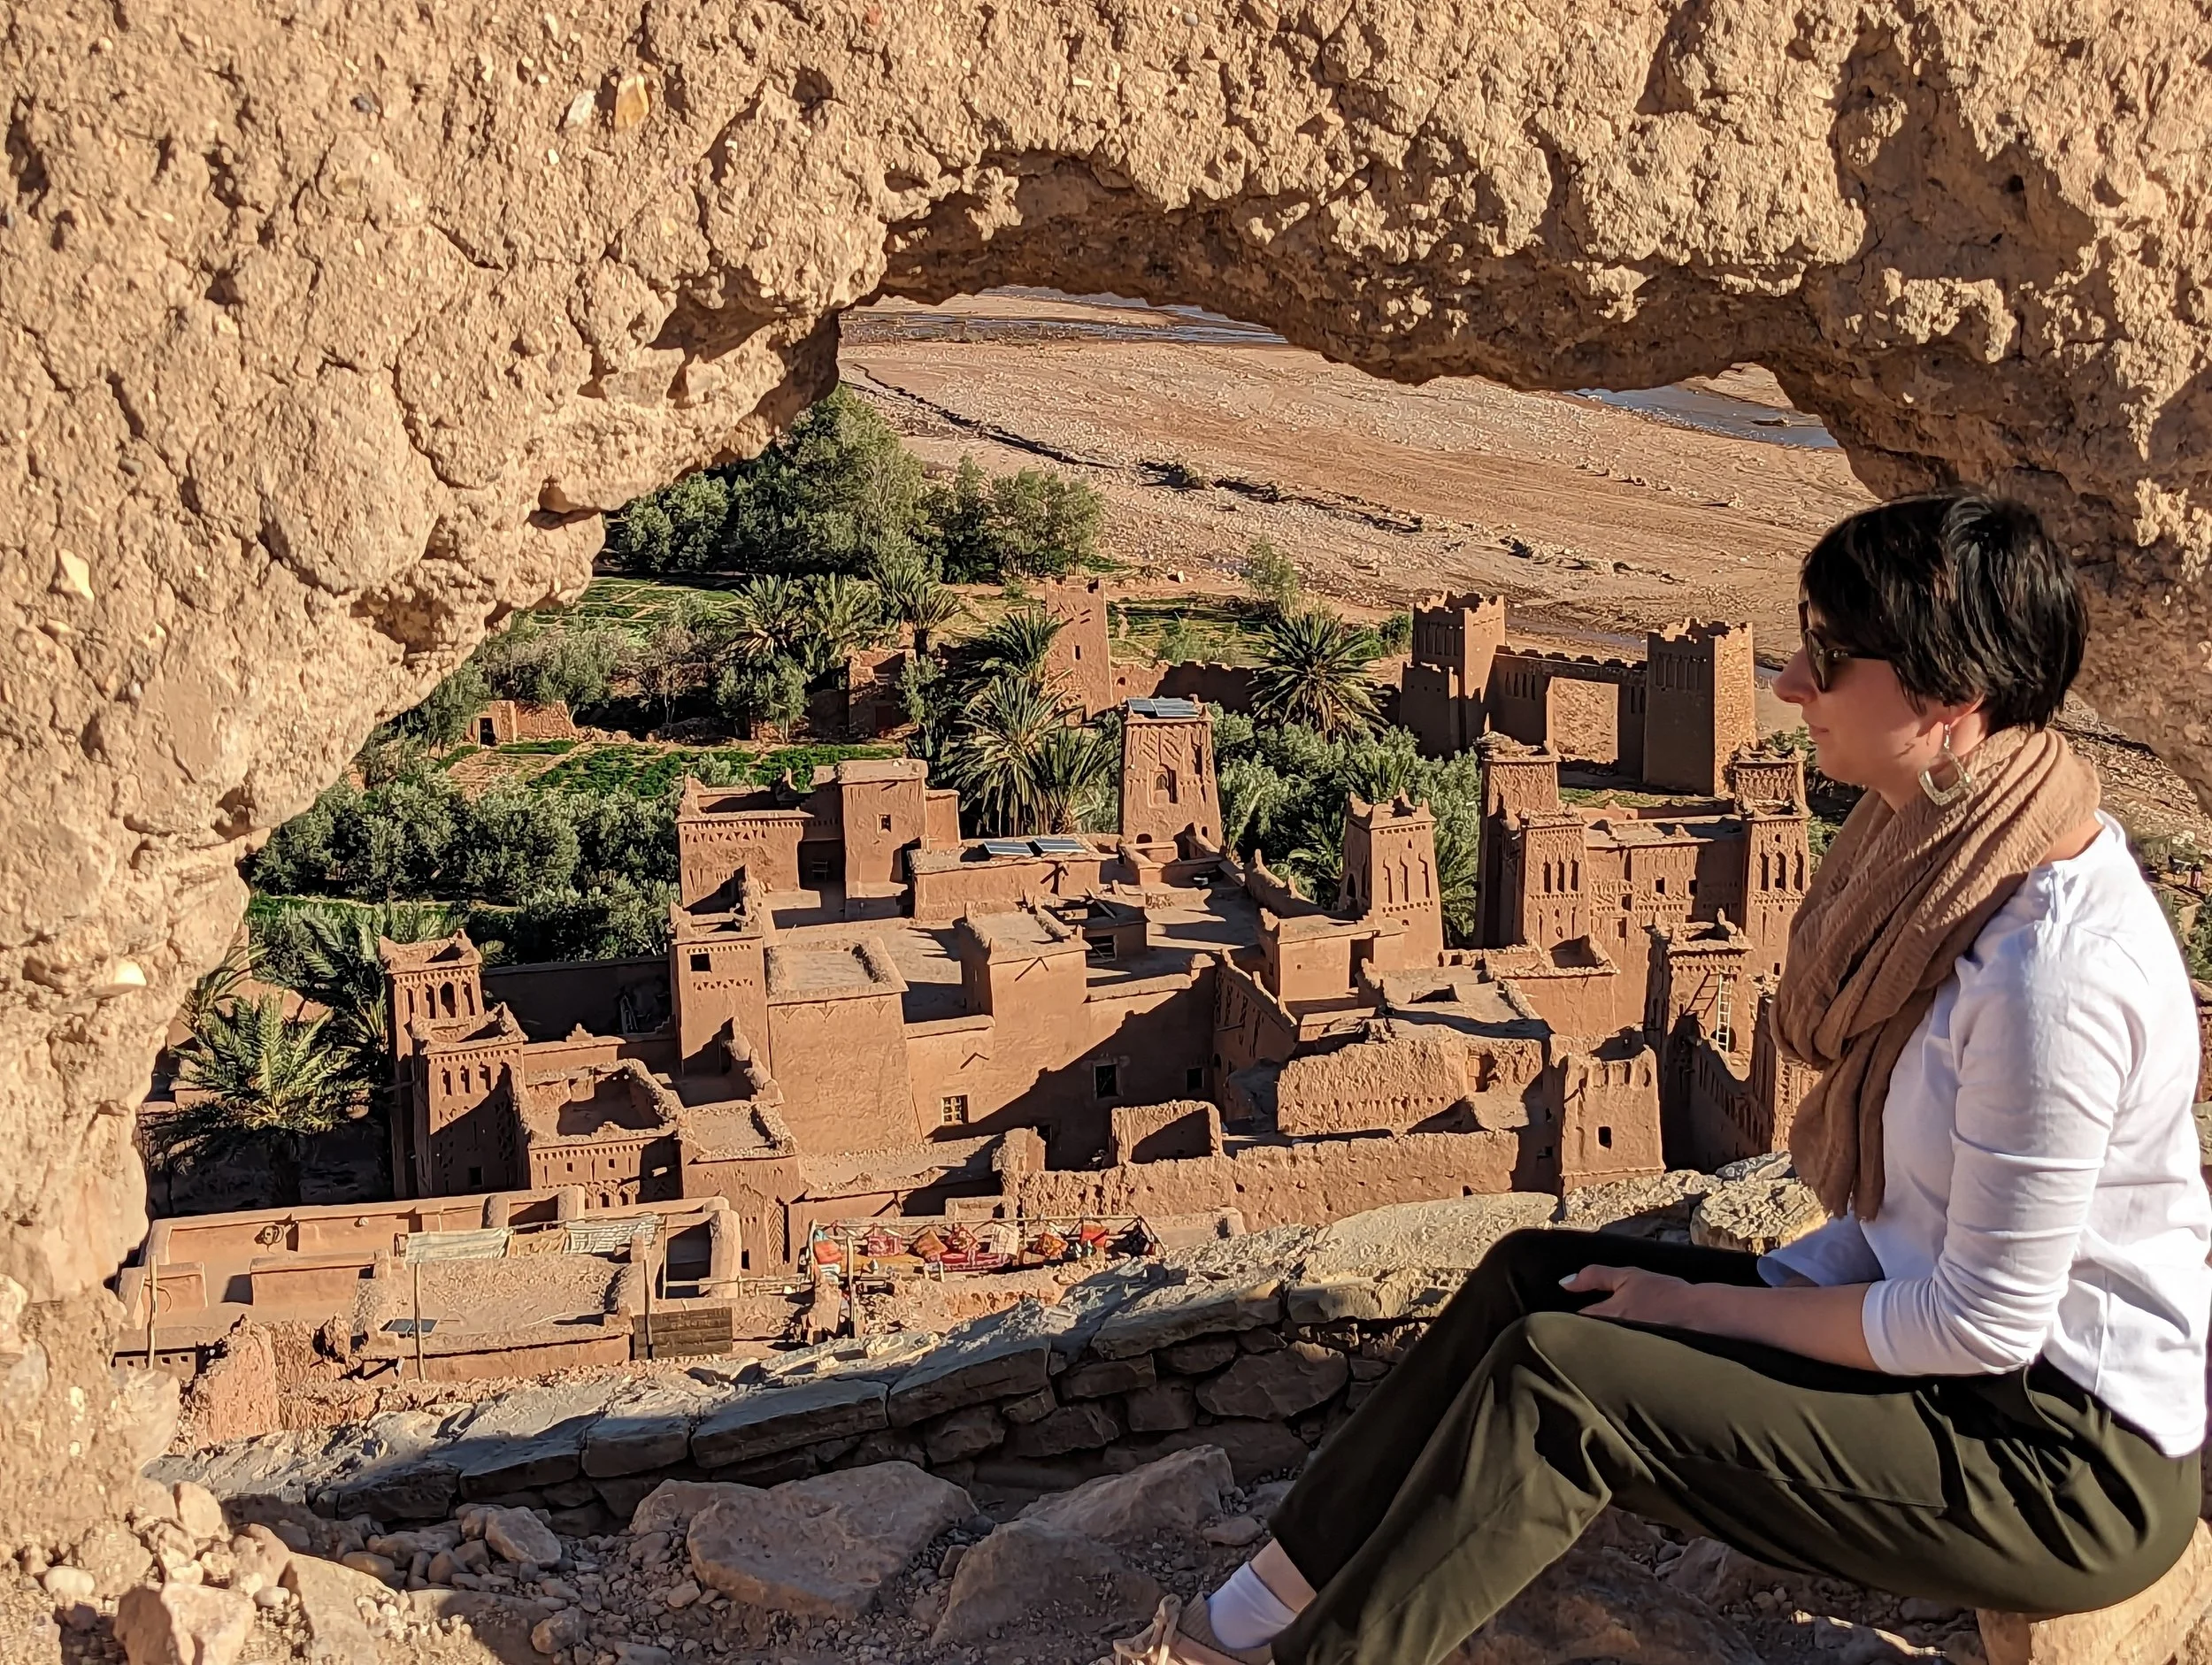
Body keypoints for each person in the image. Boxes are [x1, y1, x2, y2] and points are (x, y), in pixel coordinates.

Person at [1116, 490, 2212, 1665]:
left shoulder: (2050, 975)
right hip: (1964, 1379)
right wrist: (1738, 1308)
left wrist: (1710, 1309)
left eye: (1828, 657)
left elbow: (1981, 1320)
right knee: (1538, 1276)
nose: (1790, 684)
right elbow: (1908, 1219)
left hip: (2058, 1460)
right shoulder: (1940, 867)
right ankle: (1256, 1603)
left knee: (1568, 1383)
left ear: (1953, 701)